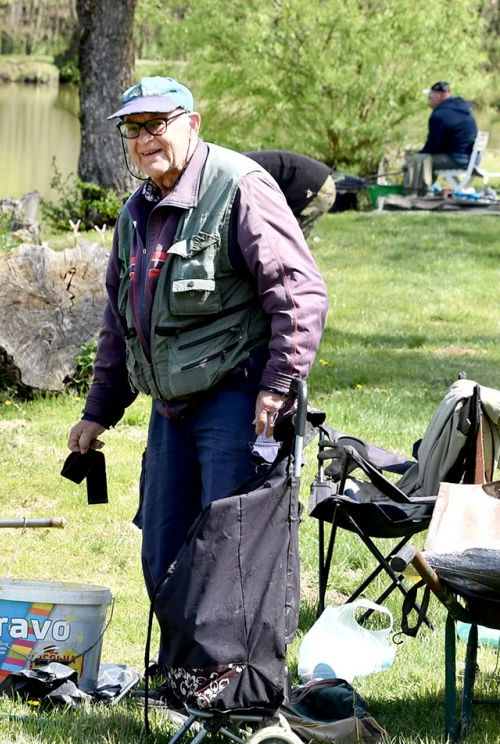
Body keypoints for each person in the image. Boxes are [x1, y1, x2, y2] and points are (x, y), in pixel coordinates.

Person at [66, 76, 329, 603]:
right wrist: (99, 410)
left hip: (238, 397)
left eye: (156, 125)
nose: (145, 140)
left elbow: (299, 295)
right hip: (169, 409)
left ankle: (232, 676)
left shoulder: (239, 186)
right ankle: (179, 671)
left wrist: (278, 386)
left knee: (230, 544)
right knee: (163, 547)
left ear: (191, 124)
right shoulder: (136, 211)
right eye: (133, 129)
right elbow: (121, 323)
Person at [402, 81, 478, 196]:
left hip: (457, 160)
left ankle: (416, 193)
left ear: (440, 96)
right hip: (470, 158)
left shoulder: (440, 115)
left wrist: (416, 155)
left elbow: (432, 147)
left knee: (416, 160)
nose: (429, 101)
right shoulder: (462, 107)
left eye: (430, 97)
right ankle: (426, 190)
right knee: (421, 158)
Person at [244, 150, 335, 237]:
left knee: (287, 242)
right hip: (316, 181)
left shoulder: (241, 171)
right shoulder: (240, 163)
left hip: (317, 189)